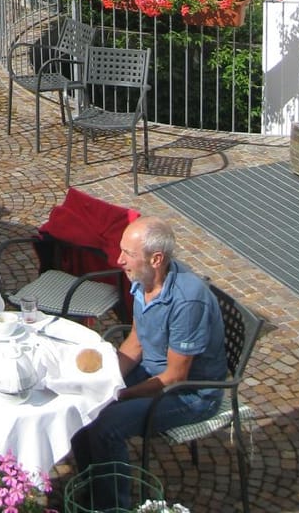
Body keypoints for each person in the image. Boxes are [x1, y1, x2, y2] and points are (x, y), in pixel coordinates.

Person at [71, 216, 227, 508]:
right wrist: (105, 381)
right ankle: (92, 486)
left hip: (191, 394)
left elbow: (176, 377)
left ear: (156, 259)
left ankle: (111, 506)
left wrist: (120, 394)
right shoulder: (143, 279)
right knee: (82, 403)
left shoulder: (187, 302)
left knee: (106, 427)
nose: (119, 260)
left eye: (128, 254)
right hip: (153, 374)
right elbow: (137, 340)